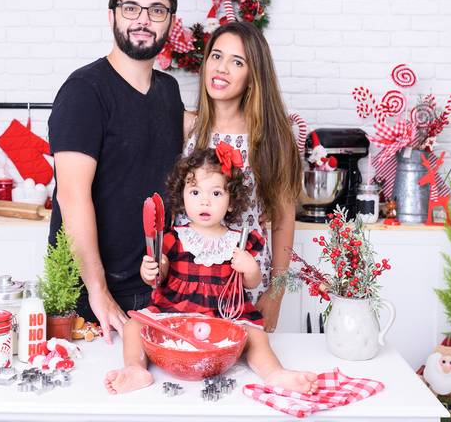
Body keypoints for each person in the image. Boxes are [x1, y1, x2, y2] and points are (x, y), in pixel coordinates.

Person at [104, 145, 317, 394]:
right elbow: (158, 277)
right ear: (182, 196)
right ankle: (135, 369)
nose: (204, 201)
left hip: (223, 318)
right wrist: (151, 270)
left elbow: (251, 282)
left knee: (257, 337)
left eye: (216, 193)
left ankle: (275, 373)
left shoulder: (239, 241)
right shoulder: (174, 238)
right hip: (176, 314)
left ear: (231, 202)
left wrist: (250, 268)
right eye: (195, 192)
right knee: (133, 326)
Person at [48, 0, 184, 343]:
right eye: (131, 8)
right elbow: (72, 196)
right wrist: (98, 291)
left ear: (170, 23)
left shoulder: (168, 91)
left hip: (156, 287)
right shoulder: (84, 91)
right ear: (112, 16)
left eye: (157, 10)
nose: (143, 19)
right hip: (92, 296)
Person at [181, 21, 304, 333]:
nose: (221, 68)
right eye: (216, 56)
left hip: (246, 282)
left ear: (253, 76)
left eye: (237, 62)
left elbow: (283, 220)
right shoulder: (187, 128)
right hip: (190, 279)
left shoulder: (271, 139)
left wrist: (276, 293)